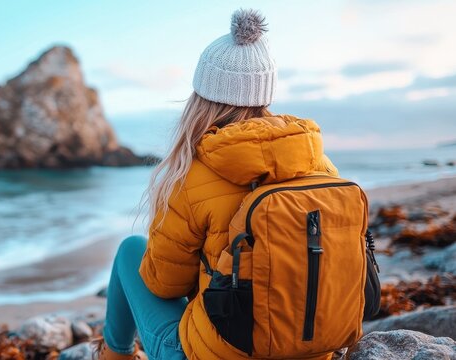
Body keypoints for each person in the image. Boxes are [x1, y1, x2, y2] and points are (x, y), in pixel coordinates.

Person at [94, 8, 340, 360]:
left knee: (131, 250)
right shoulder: (320, 164)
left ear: (201, 98)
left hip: (216, 353)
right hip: (314, 350)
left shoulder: (193, 175)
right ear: (264, 96)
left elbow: (163, 284)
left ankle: (112, 354)